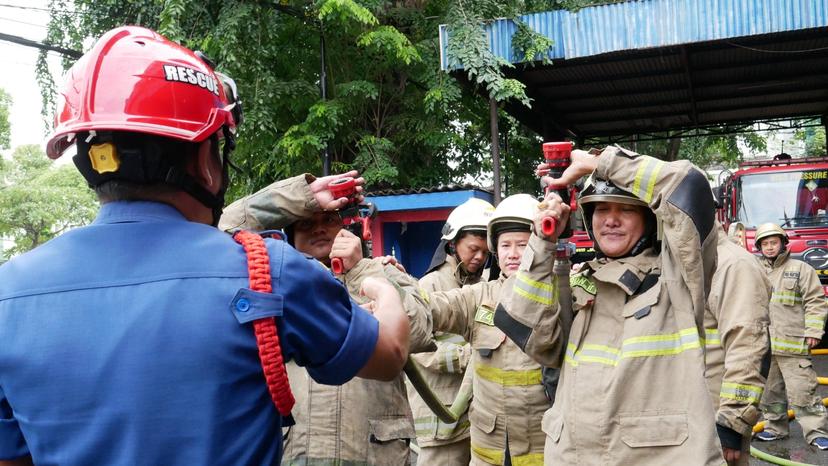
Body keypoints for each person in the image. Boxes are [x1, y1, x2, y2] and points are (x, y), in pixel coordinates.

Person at [0, 26, 410, 466]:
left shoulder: (9, 293)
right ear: (204, 162)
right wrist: (381, 286)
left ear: (90, 160)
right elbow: (388, 353)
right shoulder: (268, 272)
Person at [496, 146, 727, 464]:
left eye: (626, 210)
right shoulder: (580, 282)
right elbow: (533, 337)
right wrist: (542, 242)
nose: (611, 220)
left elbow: (690, 186)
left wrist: (598, 163)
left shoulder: (679, 276)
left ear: (649, 219)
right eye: (601, 209)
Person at [222, 184, 433, 465]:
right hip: (295, 453)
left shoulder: (382, 271)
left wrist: (359, 270)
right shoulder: (267, 283)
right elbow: (222, 230)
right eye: (306, 223)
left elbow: (419, 330)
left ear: (350, 228)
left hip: (374, 455)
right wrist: (300, 194)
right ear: (291, 237)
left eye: (329, 220)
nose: (319, 229)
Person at [427, 194, 547, 466]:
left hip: (542, 444)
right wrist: (392, 288)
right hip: (488, 447)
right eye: (505, 245)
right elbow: (436, 306)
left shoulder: (559, 295)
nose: (512, 253)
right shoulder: (481, 294)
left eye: (523, 245)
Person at [409, 198, 493, 466]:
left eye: (485, 252)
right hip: (440, 417)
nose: (479, 257)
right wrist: (465, 357)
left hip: (474, 418)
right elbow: (417, 348)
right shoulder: (431, 284)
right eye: (473, 249)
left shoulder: (484, 285)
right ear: (453, 243)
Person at [753, 223, 828, 449]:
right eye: (765, 244)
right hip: (765, 346)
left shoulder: (801, 269)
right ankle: (775, 428)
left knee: (803, 392)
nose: (769, 247)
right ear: (759, 247)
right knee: (770, 393)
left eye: (773, 242)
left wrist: (814, 331)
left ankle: (817, 432)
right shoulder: (754, 270)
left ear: (783, 243)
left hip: (793, 344)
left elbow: (816, 301)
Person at [703, 225, 771, 465]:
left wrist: (730, 425)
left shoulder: (732, 263)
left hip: (714, 418)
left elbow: (749, 343)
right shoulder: (669, 260)